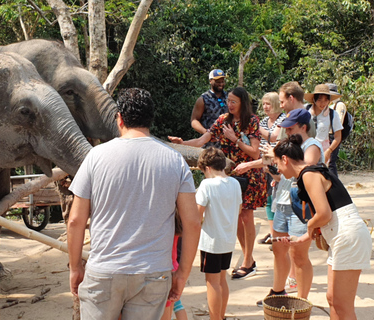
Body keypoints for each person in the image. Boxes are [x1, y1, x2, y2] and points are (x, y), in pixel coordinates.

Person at [67, 88, 201, 320]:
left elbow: (76, 220)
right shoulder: (174, 160)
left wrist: (75, 267)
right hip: (153, 274)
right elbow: (192, 222)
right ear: (150, 119)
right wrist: (182, 273)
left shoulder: (96, 157)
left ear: (119, 118)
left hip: (104, 270)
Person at [169, 86, 266, 280]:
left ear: (242, 103)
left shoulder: (252, 121)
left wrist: (234, 139)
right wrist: (182, 143)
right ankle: (250, 258)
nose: (229, 105)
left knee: (246, 216)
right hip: (230, 174)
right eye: (228, 101)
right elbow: (203, 140)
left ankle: (247, 261)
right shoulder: (222, 120)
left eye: (233, 102)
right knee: (238, 217)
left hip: (250, 174)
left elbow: (255, 152)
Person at [273, 134, 371, 320]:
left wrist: (309, 224)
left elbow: (324, 214)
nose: (277, 168)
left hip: (347, 234)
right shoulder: (312, 171)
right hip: (340, 234)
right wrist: (303, 237)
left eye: (277, 163)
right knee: (332, 298)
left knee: (343, 306)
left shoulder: (309, 175)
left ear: (285, 159)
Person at [257, 109, 324, 307]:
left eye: (290, 128)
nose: (286, 131)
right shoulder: (287, 145)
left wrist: (280, 154)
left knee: (298, 255)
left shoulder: (312, 145)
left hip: (300, 206)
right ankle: (277, 292)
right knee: (279, 250)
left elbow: (307, 170)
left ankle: (301, 301)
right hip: (282, 202)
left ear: (303, 127)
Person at [196, 147, 243, 320]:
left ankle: (214, 318)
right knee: (222, 280)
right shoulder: (235, 183)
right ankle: (220, 316)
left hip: (211, 242)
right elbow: (238, 210)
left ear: (207, 168)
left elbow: (197, 215)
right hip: (228, 241)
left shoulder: (206, 185)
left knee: (212, 283)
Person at [257, 92, 286, 245]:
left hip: (278, 162)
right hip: (264, 162)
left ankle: (279, 232)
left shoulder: (283, 119)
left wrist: (254, 126)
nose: (265, 107)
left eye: (268, 103)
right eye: (264, 104)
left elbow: (273, 137)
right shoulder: (263, 121)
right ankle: (272, 233)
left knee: (278, 198)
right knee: (269, 198)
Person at [304, 84, 343, 166]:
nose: (323, 103)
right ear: (314, 99)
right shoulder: (305, 111)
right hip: (305, 149)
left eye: (326, 100)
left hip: (323, 151)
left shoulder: (332, 114)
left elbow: (338, 136)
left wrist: (329, 151)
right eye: (320, 100)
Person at [191, 69, 228, 147]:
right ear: (211, 81)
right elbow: (194, 121)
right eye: (218, 81)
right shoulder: (203, 99)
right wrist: (207, 133)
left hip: (227, 144)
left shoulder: (229, 97)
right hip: (209, 145)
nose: (221, 84)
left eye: (222, 81)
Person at [325, 83, 347, 177]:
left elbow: (339, 123)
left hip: (333, 135)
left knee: (331, 162)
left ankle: (334, 185)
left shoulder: (339, 105)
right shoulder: (327, 105)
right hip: (325, 136)